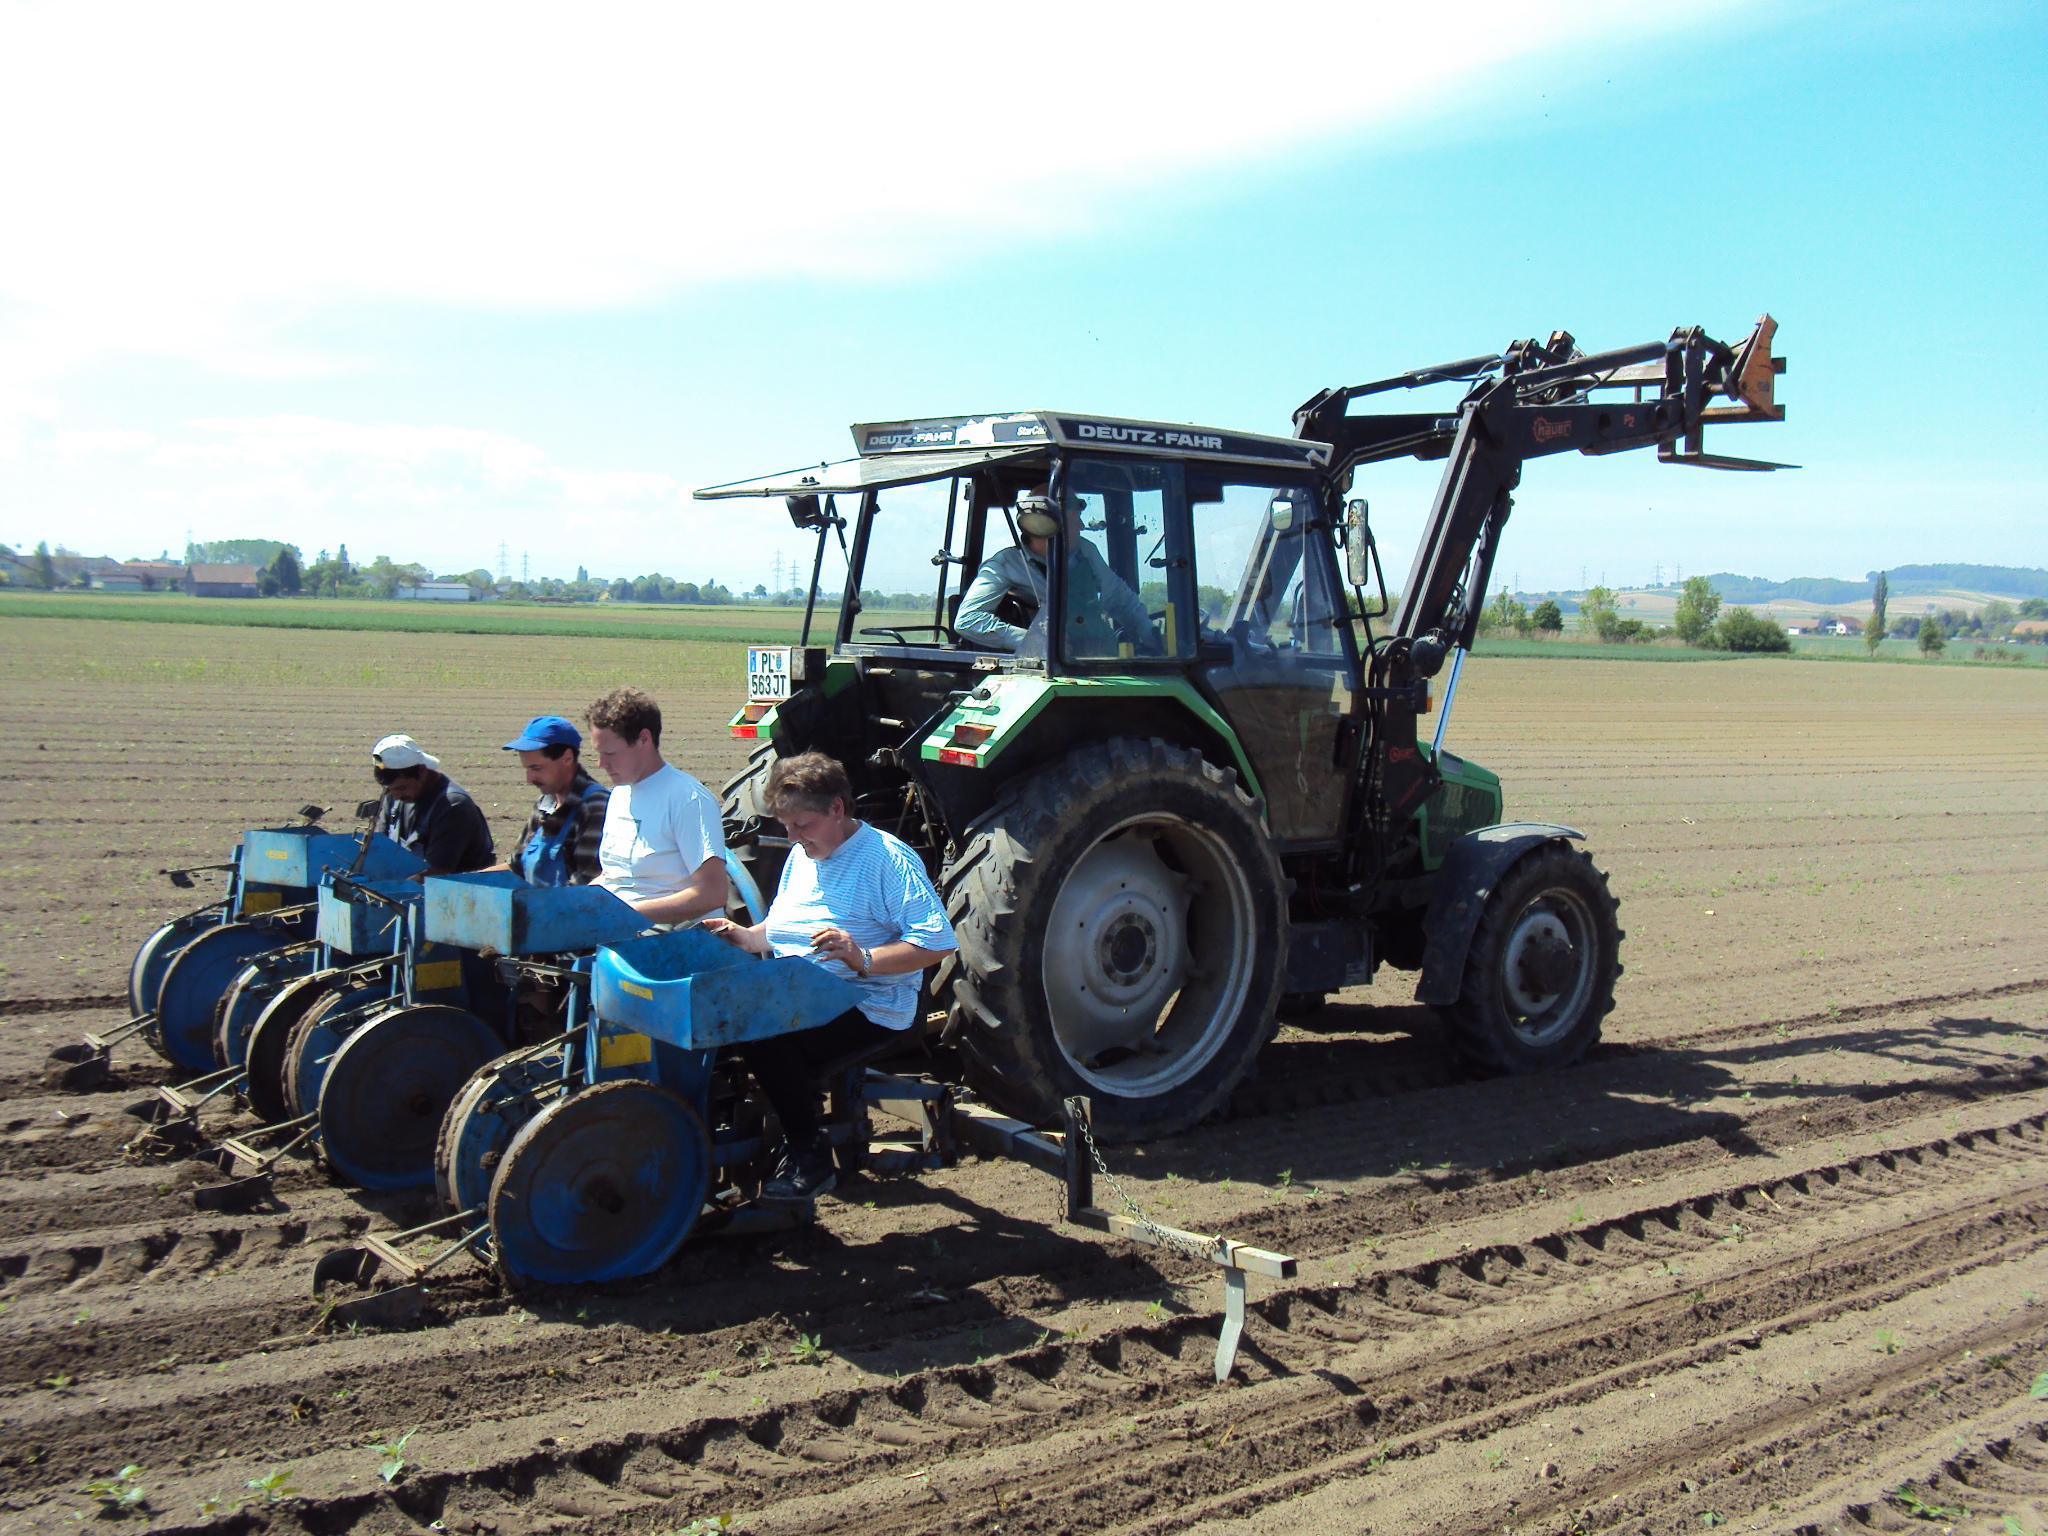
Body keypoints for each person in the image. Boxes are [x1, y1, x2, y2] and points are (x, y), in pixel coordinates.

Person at [704, 750, 955, 1201]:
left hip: (869, 1003)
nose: (795, 837)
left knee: (763, 1032)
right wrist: (742, 937)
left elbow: (936, 942)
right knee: (714, 1014)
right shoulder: (805, 854)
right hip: (805, 991)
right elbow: (786, 928)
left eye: (803, 825)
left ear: (837, 809)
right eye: (787, 826)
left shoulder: (887, 861)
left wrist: (862, 958)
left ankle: (810, 1156)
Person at [585, 688, 729, 924]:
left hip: (671, 940)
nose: (601, 764)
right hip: (618, 929)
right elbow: (614, 877)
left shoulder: (688, 799)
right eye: (598, 753)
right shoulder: (619, 794)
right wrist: (572, 904)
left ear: (644, 739)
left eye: (610, 753)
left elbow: (712, 894)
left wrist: (625, 916)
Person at [954, 489, 1154, 655]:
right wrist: (1032, 641)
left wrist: (1149, 633)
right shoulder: (1006, 564)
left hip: (1100, 657)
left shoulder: (1085, 551)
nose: (1082, 526)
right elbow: (968, 620)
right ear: (1043, 525)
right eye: (1075, 519)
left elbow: (1120, 598)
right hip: (1052, 669)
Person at [491, 714, 609, 887]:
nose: (529, 779)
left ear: (567, 757)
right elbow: (515, 867)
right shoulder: (545, 804)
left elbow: (584, 889)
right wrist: (462, 884)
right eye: (527, 769)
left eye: (536, 768)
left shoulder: (595, 807)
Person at [369, 734, 496, 875]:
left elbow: (435, 872)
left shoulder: (453, 807)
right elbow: (381, 848)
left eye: (401, 788)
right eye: (388, 788)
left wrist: (386, 886)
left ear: (422, 771)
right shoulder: (394, 793)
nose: (395, 796)